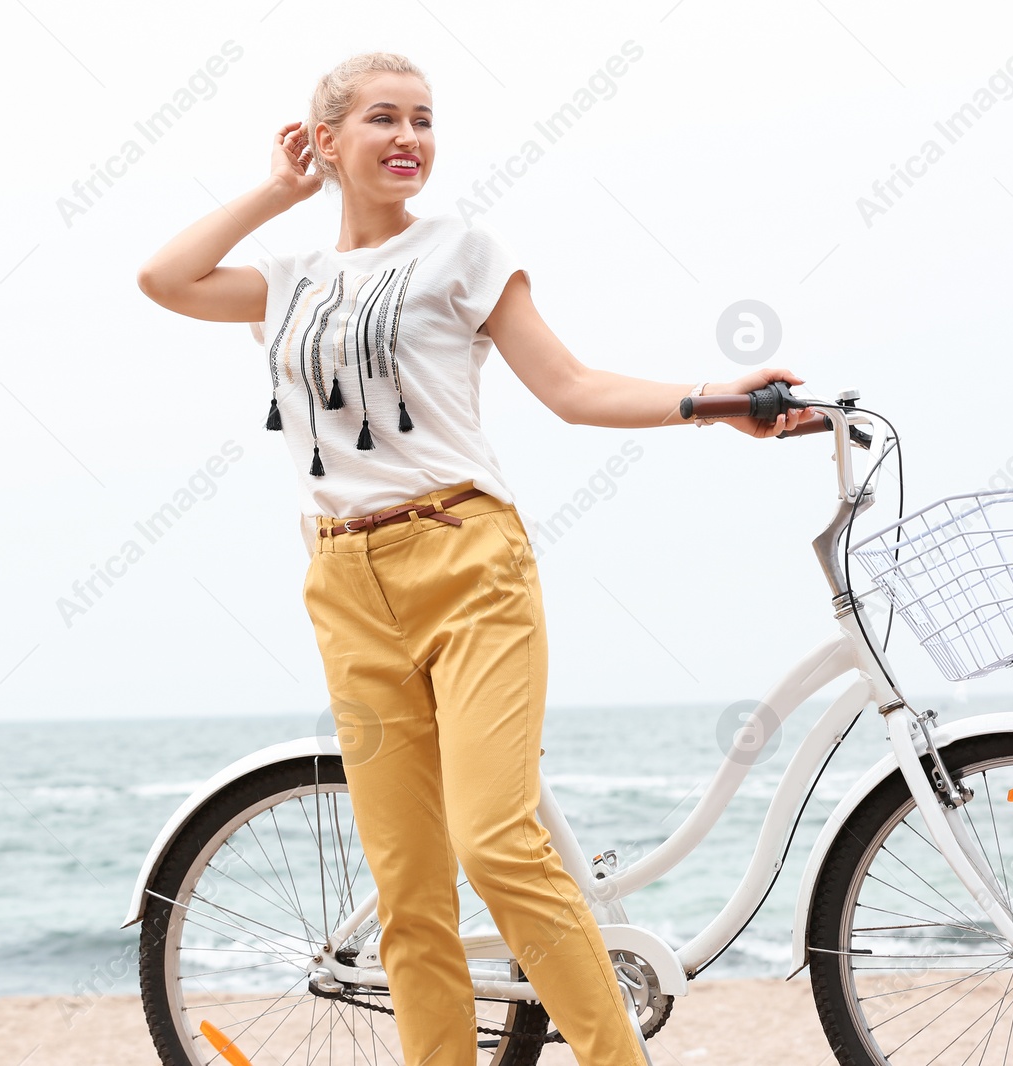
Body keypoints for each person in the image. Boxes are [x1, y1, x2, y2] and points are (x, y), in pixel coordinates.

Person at [137, 50, 820, 1066]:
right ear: (326, 140)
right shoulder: (286, 281)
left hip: (466, 564)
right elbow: (164, 278)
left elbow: (573, 385)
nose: (409, 137)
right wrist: (279, 191)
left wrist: (712, 403)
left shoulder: (459, 250)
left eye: (422, 119)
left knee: (496, 841)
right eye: (381, 119)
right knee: (409, 890)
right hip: (343, 583)